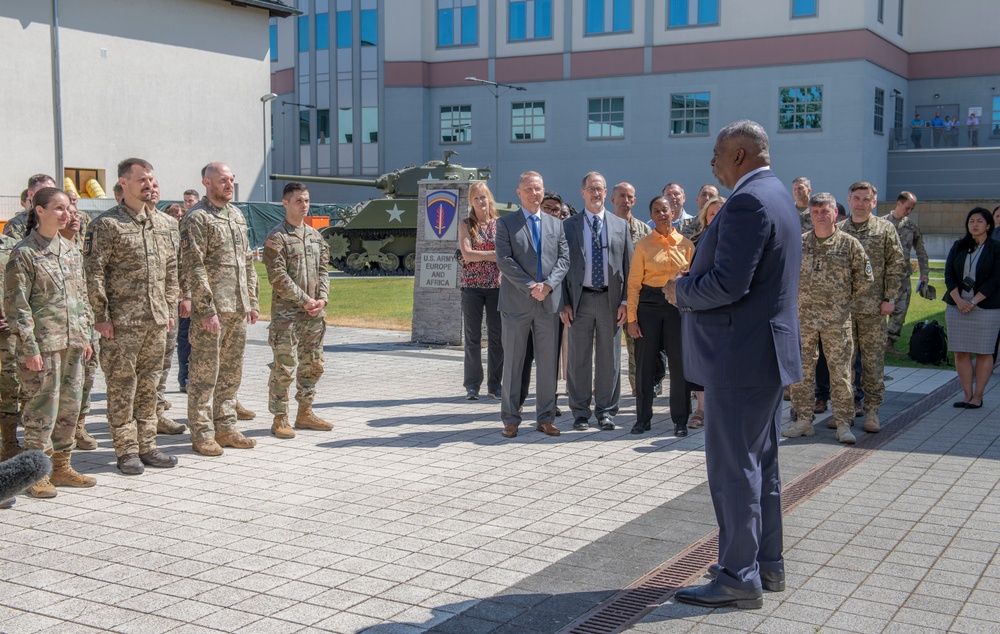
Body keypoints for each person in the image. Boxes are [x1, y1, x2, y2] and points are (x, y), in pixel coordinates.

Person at [666, 120, 802, 609]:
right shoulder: (779, 195)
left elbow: (728, 285)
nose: (713, 164)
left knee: (734, 471)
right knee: (760, 465)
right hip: (763, 353)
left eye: (717, 155)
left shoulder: (748, 201)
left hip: (739, 357)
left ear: (740, 155)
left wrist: (679, 290)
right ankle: (765, 563)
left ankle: (737, 577)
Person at [84, 159, 180, 475]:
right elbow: (93, 272)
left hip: (156, 321)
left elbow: (170, 271)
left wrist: (168, 308)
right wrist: (101, 316)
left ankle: (148, 446)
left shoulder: (165, 225)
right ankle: (126, 452)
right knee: (122, 388)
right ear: (123, 182)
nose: (148, 184)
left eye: (151, 178)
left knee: (150, 387)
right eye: (141, 179)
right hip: (121, 325)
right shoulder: (105, 226)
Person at [3, 187, 95, 498]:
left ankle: (61, 467)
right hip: (42, 347)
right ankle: (34, 474)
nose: (66, 214)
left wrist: (85, 335)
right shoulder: (24, 253)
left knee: (69, 411)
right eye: (58, 208)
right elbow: (17, 307)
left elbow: (80, 297)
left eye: (68, 208)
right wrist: (29, 348)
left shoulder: (69, 250)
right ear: (39, 210)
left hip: (71, 344)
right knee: (41, 414)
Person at [180, 162, 260, 456]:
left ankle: (226, 427)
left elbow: (248, 261)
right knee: (203, 374)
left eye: (231, 179)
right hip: (212, 310)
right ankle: (201, 433)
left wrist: (251, 301)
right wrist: (205, 308)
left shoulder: (236, 215)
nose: (229, 184)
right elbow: (193, 266)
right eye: (222, 180)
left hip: (237, 307)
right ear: (206, 182)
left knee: (230, 372)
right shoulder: (196, 218)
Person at [784, 193, 873, 444]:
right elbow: (786, 276)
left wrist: (843, 302)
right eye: (815, 212)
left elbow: (865, 279)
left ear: (835, 213)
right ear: (810, 215)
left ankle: (843, 423)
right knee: (802, 371)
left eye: (825, 211)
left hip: (837, 320)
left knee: (841, 373)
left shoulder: (849, 244)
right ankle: (803, 420)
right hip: (804, 319)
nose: (820, 216)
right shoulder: (799, 244)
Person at [495, 171, 569, 439]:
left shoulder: (556, 224)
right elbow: (504, 260)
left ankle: (545, 418)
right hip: (517, 303)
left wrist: (548, 285)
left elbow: (564, 259)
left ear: (543, 190)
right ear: (519, 193)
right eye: (528, 189)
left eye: (538, 189)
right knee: (514, 362)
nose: (534, 193)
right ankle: (511, 419)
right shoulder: (505, 223)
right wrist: (530, 286)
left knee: (548, 364)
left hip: (548, 303)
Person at [561, 172, 631, 432]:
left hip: (611, 302)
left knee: (609, 359)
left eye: (600, 188)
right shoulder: (568, 226)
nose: (596, 193)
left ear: (606, 193)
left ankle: (606, 411)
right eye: (591, 188)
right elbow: (560, 268)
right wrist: (563, 303)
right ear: (582, 193)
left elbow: (628, 265)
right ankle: (580, 412)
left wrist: (625, 302)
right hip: (580, 301)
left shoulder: (620, 225)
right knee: (578, 358)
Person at [263, 182, 332, 438]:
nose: (304, 205)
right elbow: (277, 276)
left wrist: (322, 299)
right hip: (287, 317)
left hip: (314, 315)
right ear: (285, 203)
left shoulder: (316, 237)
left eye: (306, 200)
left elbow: (324, 270)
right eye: (298, 201)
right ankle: (280, 417)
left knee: (313, 364)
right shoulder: (277, 237)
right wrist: (305, 300)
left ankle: (305, 412)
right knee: (284, 366)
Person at [838, 182, 907, 431]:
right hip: (844, 311)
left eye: (866, 199)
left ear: (873, 203)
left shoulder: (884, 229)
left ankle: (872, 411)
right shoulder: (839, 230)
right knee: (843, 363)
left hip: (874, 309)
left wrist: (890, 299)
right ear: (848, 199)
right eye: (856, 198)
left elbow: (896, 265)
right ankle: (844, 411)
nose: (860, 203)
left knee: (872, 363)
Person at [0, 174, 57, 462]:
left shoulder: (55, 235)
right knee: (11, 386)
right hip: (16, 323)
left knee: (27, 387)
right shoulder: (15, 231)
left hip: (39, 325)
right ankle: (9, 445)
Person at [627, 196, 693, 436]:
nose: (661, 214)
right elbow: (634, 283)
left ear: (672, 212)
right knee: (645, 365)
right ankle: (643, 419)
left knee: (679, 365)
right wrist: (632, 319)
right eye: (656, 211)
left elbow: (693, 279)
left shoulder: (686, 245)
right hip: (649, 306)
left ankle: (680, 420)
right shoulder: (643, 245)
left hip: (677, 307)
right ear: (652, 216)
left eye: (665, 210)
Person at [945, 208, 1000, 408]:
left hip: (986, 307)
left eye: (979, 221)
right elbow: (949, 275)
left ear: (988, 225)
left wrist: (973, 301)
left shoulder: (996, 248)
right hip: (957, 306)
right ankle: (966, 394)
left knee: (984, 352)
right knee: (960, 351)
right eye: (971, 221)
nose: (974, 225)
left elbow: (996, 279)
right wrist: (959, 300)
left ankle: (978, 396)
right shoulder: (958, 246)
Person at [459, 182, 503, 401]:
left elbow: (505, 254)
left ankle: (495, 385)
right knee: (472, 338)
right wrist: (491, 255)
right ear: (470, 201)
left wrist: (479, 255)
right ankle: (472, 385)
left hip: (497, 286)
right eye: (475, 198)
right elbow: (466, 255)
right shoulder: (466, 225)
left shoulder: (500, 224)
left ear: (489, 199)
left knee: (498, 338)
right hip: (472, 288)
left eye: (483, 197)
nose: (480, 202)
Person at [685, 194, 726, 429]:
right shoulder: (697, 241)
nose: (716, 217)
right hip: (701, 307)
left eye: (721, 212)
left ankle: (720, 410)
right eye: (712, 213)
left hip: (726, 309)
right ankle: (701, 409)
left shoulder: (736, 240)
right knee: (702, 360)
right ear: (705, 218)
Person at [610, 182, 654, 397]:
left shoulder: (644, 230)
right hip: (608, 297)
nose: (625, 201)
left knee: (637, 347)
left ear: (634, 200)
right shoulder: (603, 226)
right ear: (613, 199)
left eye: (630, 197)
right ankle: (606, 390)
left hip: (636, 298)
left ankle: (639, 391)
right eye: (621, 196)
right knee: (606, 348)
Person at [153, 199, 188, 436]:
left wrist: (184, 295)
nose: (177, 216)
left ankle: (155, 412)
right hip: (136, 312)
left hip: (168, 306)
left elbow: (179, 266)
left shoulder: (172, 230)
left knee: (162, 363)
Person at [886, 192, 930, 355]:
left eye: (912, 209)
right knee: (878, 311)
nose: (909, 211)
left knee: (901, 310)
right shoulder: (882, 223)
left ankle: (888, 343)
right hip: (883, 276)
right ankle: (874, 343)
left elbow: (921, 252)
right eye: (907, 207)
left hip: (903, 277)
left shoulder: (911, 227)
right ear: (898, 203)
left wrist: (924, 273)